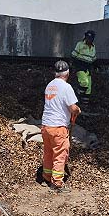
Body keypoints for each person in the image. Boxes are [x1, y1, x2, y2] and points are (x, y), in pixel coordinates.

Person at [41, 60, 81, 193]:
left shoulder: (49, 85)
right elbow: (72, 107)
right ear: (67, 73)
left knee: (48, 152)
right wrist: (77, 111)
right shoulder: (66, 87)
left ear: (55, 73)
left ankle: (46, 177)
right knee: (60, 154)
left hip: (46, 126)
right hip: (58, 127)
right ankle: (57, 183)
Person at [70, 30, 97, 107]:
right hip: (80, 66)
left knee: (88, 88)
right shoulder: (80, 44)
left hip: (88, 68)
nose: (89, 39)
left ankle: (85, 105)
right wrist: (72, 64)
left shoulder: (93, 47)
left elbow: (93, 59)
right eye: (87, 38)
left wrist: (96, 66)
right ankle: (76, 97)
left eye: (90, 38)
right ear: (85, 37)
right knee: (84, 82)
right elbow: (73, 55)